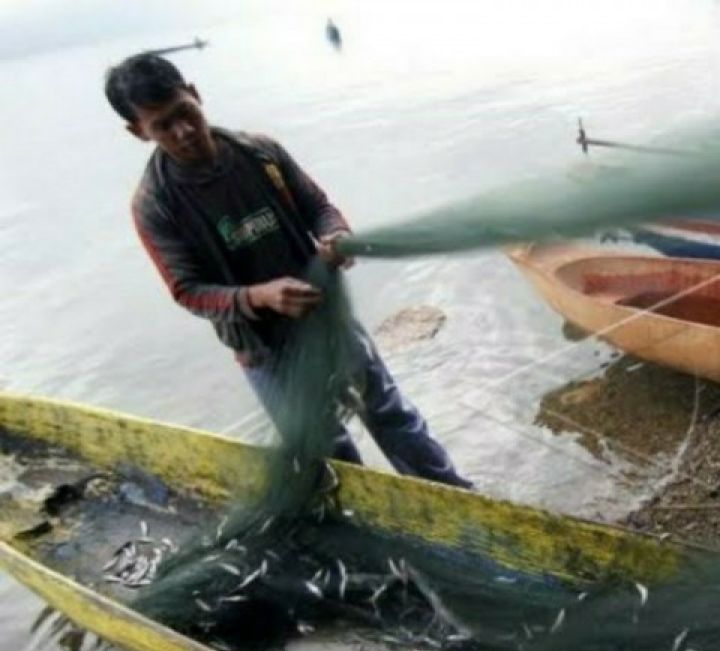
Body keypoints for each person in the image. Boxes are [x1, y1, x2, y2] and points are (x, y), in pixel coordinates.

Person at [105, 53, 471, 488]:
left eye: (185, 112)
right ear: (137, 132)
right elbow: (187, 291)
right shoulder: (154, 205)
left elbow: (318, 207)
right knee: (329, 454)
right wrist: (258, 296)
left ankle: (456, 496)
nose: (183, 132)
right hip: (265, 351)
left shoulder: (261, 154)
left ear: (196, 94)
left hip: (328, 320)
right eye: (162, 125)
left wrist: (334, 234)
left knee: (391, 416)